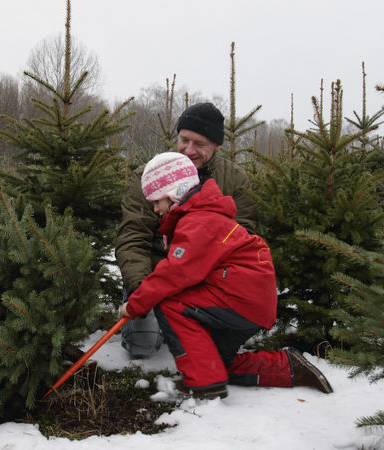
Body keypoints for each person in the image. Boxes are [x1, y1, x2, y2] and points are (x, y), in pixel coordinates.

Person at [117, 152, 333, 400]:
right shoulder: (202, 216)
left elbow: (173, 274)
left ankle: (205, 386)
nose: (155, 209)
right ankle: (289, 367)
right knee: (213, 362)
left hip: (239, 299)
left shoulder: (199, 221)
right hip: (250, 303)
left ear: (173, 193)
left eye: (156, 201)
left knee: (170, 302)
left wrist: (135, 305)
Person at [115, 102, 256, 358]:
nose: (189, 150)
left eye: (200, 144)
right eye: (184, 140)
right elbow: (133, 236)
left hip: (207, 278)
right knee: (141, 346)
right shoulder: (149, 177)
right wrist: (140, 290)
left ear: (217, 146)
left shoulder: (234, 180)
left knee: (210, 351)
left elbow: (242, 240)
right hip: (155, 274)